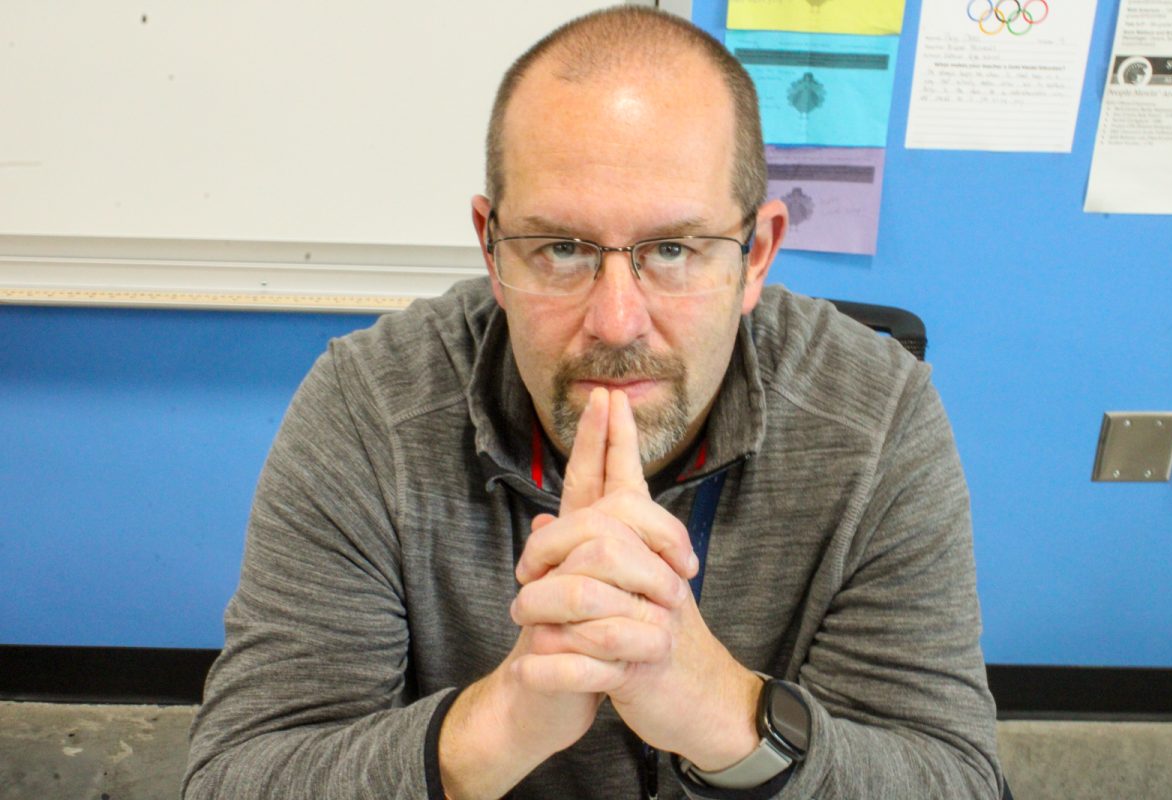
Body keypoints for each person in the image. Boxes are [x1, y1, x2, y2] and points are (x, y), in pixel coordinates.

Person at [184, 7, 1004, 799]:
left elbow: (955, 778)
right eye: (563, 249)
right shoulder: (368, 410)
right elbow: (238, 777)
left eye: (675, 248)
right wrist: (502, 719)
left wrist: (724, 714)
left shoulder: (877, 418)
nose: (616, 323)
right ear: (491, 248)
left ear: (756, 255)